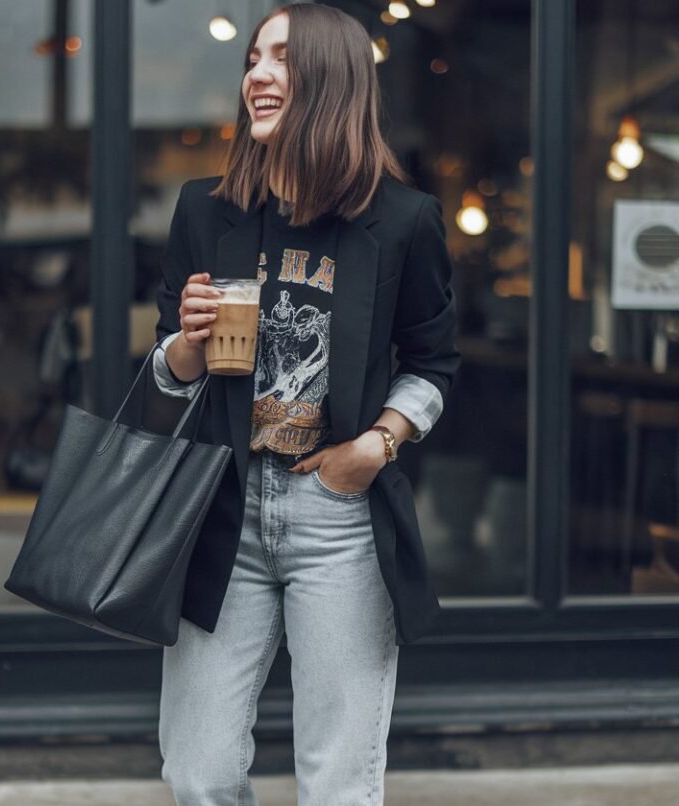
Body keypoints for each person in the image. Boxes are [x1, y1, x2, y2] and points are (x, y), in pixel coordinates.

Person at [152, 4, 459, 804]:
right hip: (224, 509)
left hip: (338, 516)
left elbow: (433, 365)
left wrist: (379, 444)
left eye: (279, 59)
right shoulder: (206, 210)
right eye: (252, 58)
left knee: (338, 781)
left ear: (330, 78)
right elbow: (167, 376)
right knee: (199, 771)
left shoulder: (402, 222)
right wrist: (184, 341)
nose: (255, 74)